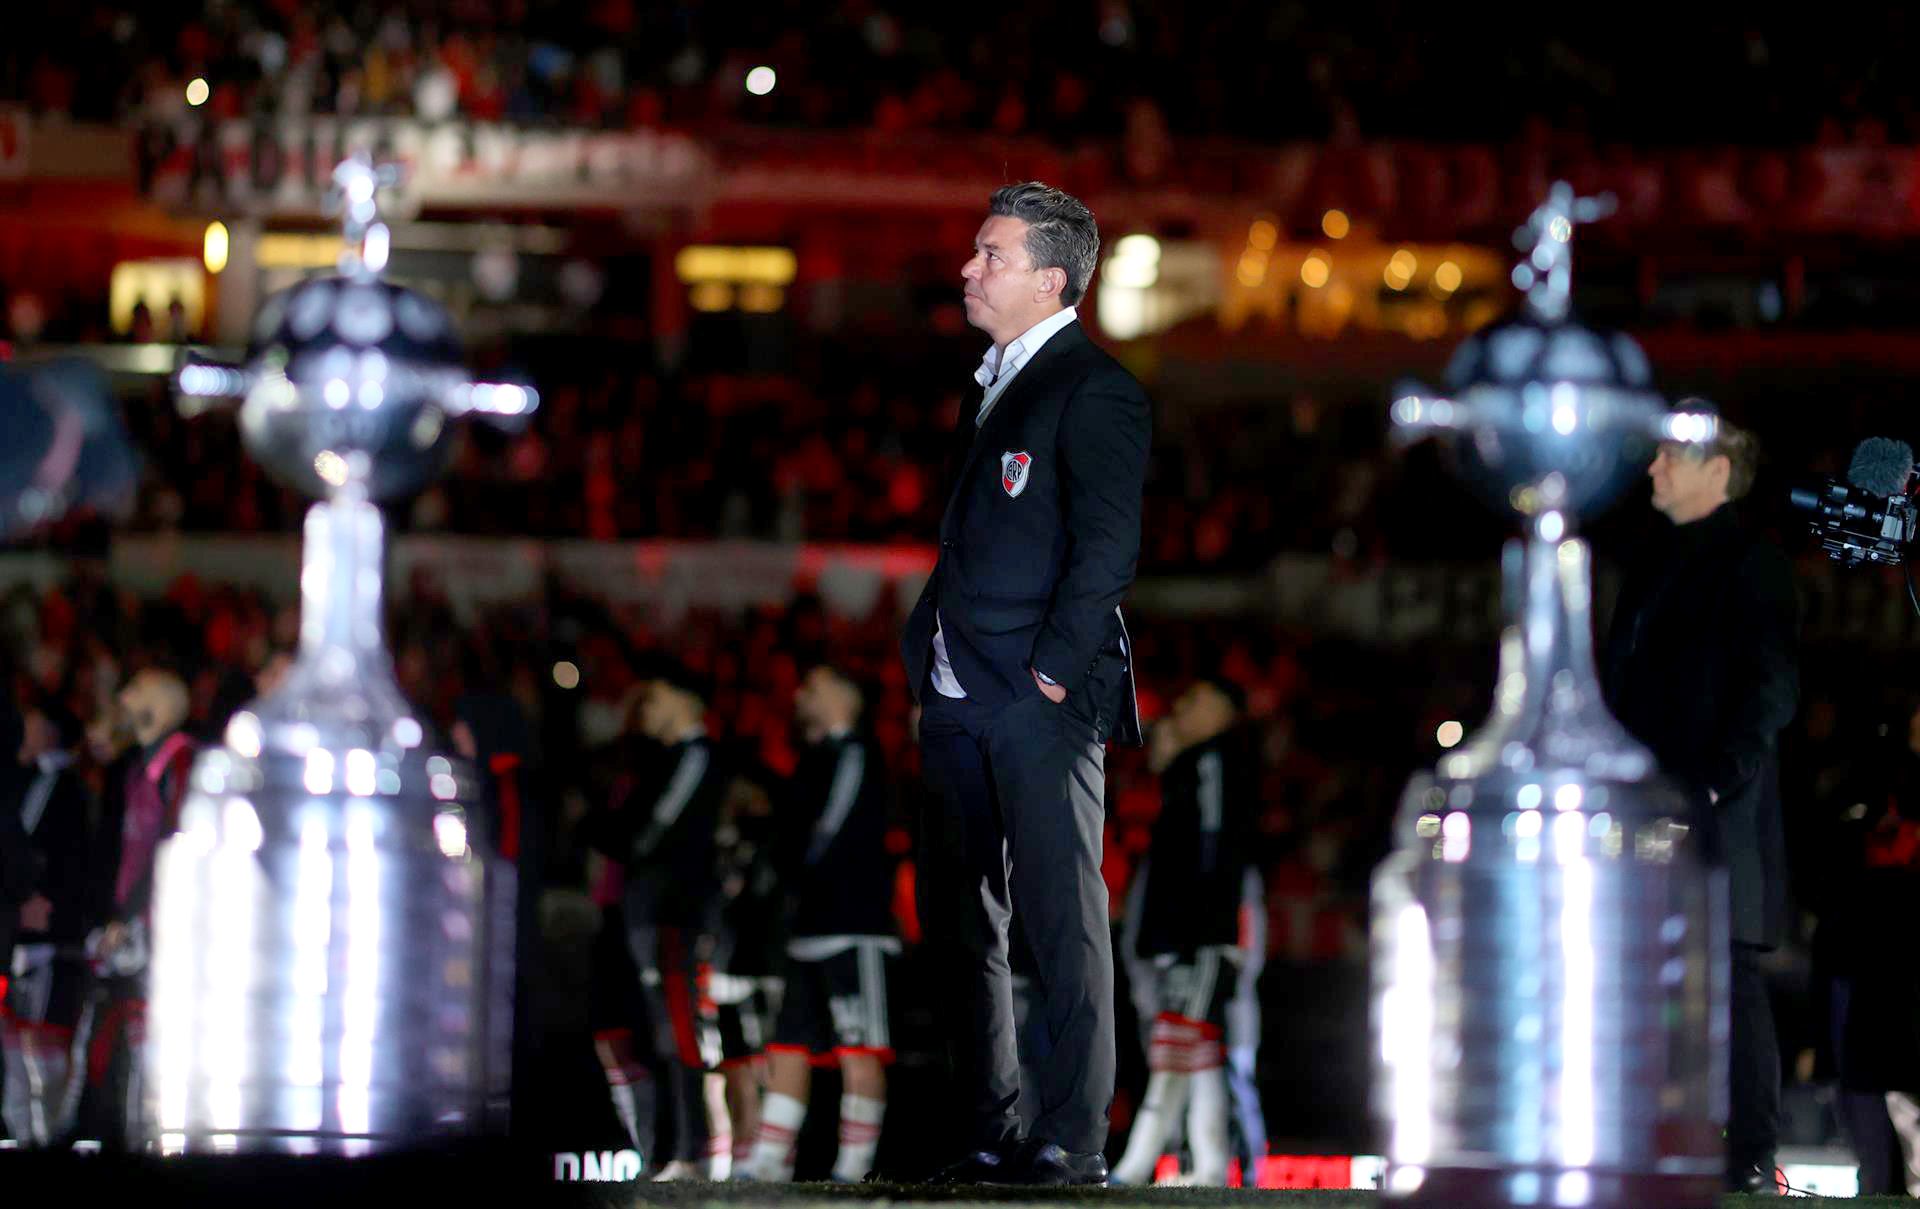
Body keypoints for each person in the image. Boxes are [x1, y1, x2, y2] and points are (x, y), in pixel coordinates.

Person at [901, 181, 1150, 1186]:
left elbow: (1107, 548)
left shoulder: (1097, 388)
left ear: (1051, 280)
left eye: (990, 254)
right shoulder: (990, 382)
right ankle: (985, 1129)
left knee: (1058, 915)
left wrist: (1051, 673)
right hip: (960, 691)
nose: (969, 268)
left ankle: (1070, 1137)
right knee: (962, 921)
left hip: (1037, 696)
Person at [1601, 407, 1798, 1194]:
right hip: (1647, 807)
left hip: (1720, 810)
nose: (1653, 469)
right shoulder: (1650, 566)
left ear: (1717, 472)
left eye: (1671, 458)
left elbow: (1770, 688)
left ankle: (1749, 1153)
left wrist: (1718, 778)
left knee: (1730, 978)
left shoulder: (1754, 563)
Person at [739, 664, 897, 1183]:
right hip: (807, 926)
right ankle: (767, 1163)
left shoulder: (854, 752)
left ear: (844, 696)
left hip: (854, 925)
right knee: (788, 1046)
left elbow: (823, 829)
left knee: (860, 1048)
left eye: (814, 685)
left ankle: (853, 1168)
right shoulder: (816, 757)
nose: (802, 692)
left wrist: (787, 865)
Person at [581, 661, 726, 1180]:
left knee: (678, 1029)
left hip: (674, 912)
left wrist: (611, 836)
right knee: (660, 1030)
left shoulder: (697, 755)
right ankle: (672, 1150)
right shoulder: (664, 759)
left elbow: (651, 829)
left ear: (685, 702)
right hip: (648, 910)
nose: (650, 710)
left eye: (658, 698)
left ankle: (692, 1151)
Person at [1111, 678, 1254, 1187]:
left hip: (1199, 937)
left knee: (1173, 1051)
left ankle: (1133, 1166)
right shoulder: (1193, 770)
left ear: (1223, 711)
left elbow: (1213, 853)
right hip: (1191, 936)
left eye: (1196, 701)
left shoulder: (1213, 762)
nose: (1183, 710)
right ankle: (1212, 1165)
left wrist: (1200, 929)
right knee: (1200, 1054)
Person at [71, 665, 196, 1149]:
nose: (123, 696)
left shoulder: (182, 763)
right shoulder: (140, 768)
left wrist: (128, 916)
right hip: (135, 931)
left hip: (160, 934)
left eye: (136, 690)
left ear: (161, 707)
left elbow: (171, 846)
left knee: (150, 1052)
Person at [2, 697, 94, 1147]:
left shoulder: (66, 788)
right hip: (21, 933)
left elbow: (68, 859)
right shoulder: (24, 781)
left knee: (40, 1062)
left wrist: (40, 903)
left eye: (33, 723)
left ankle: (41, 1141)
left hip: (45, 941)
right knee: (20, 1064)